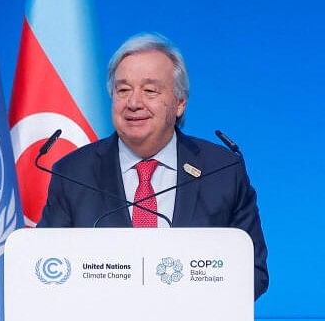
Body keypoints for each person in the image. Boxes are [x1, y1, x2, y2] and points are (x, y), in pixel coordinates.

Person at [37, 33, 269, 299]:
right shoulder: (73, 172)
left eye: (150, 90)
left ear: (180, 103)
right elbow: (46, 267)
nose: (134, 103)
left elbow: (253, 271)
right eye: (123, 90)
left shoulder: (222, 170)